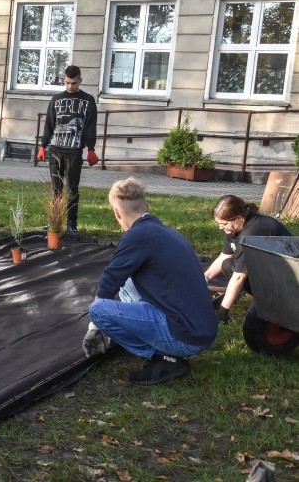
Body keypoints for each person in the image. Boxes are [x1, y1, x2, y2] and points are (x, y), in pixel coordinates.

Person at [83, 177, 218, 386]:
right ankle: (158, 342)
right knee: (127, 283)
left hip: (185, 338)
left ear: (117, 213)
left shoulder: (137, 236)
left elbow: (107, 284)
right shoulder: (165, 231)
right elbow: (118, 279)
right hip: (202, 328)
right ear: (146, 207)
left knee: (99, 309)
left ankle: (163, 358)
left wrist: (94, 327)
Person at [204, 194, 292, 323]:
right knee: (228, 265)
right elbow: (225, 256)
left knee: (235, 271)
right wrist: (204, 278)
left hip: (289, 279)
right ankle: (265, 299)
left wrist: (222, 313)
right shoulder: (234, 228)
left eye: (223, 224)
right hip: (271, 269)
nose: (221, 228)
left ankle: (274, 303)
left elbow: (239, 276)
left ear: (239, 218)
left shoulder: (253, 232)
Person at [36, 65, 99, 237]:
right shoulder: (56, 99)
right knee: (56, 188)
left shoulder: (88, 100)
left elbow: (90, 126)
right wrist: (42, 145)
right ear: (63, 80)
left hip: (74, 151)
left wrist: (91, 148)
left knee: (72, 188)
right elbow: (49, 123)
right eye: (67, 83)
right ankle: (54, 221)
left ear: (80, 80)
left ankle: (72, 224)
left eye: (73, 83)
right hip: (56, 149)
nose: (70, 86)